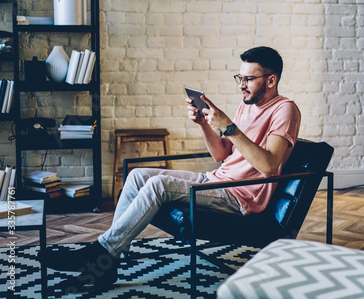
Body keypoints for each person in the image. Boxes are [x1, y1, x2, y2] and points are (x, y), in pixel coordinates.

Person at [41, 46, 301, 292]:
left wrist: (229, 127)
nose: (242, 85)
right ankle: (109, 260)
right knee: (138, 175)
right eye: (239, 78)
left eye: (249, 79)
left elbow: (268, 165)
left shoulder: (285, 110)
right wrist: (204, 124)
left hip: (240, 196)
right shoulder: (246, 105)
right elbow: (221, 154)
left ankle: (102, 254)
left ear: (271, 80)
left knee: (158, 185)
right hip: (216, 179)